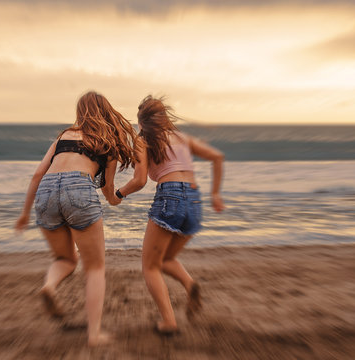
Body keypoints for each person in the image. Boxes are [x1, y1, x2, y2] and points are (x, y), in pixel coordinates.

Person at [15, 91, 137, 346]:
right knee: (95, 268)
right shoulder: (109, 143)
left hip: (46, 192)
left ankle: (49, 286)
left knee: (65, 259)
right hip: (79, 189)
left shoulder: (64, 135)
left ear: (80, 112)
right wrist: (117, 199)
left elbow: (38, 175)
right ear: (106, 111)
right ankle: (94, 334)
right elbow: (107, 189)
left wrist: (25, 213)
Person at [113, 95, 224, 335]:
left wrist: (118, 194)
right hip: (195, 199)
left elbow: (140, 180)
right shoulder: (182, 137)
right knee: (165, 260)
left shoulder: (142, 141)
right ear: (164, 117)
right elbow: (217, 157)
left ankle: (169, 322)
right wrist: (216, 194)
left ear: (141, 121)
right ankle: (190, 284)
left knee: (150, 266)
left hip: (170, 196)